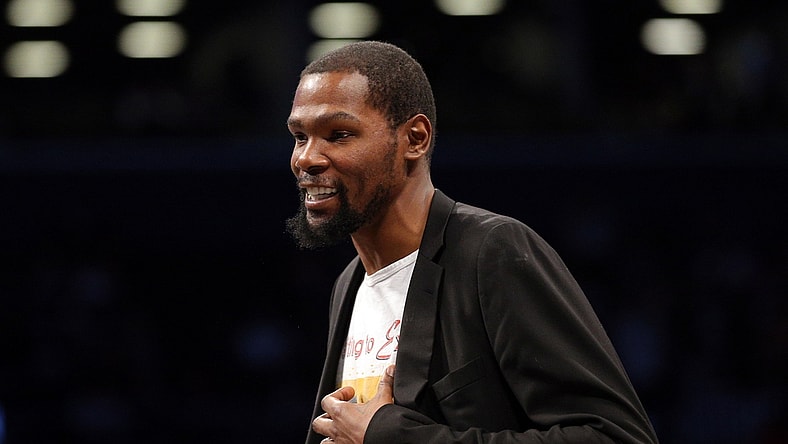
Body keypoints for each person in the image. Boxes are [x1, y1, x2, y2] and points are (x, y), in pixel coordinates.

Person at [286, 41, 659, 444]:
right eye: (299, 136)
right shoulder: (350, 283)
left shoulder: (492, 251)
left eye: (338, 134)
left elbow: (616, 437)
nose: (307, 158)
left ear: (415, 138)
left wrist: (393, 435)